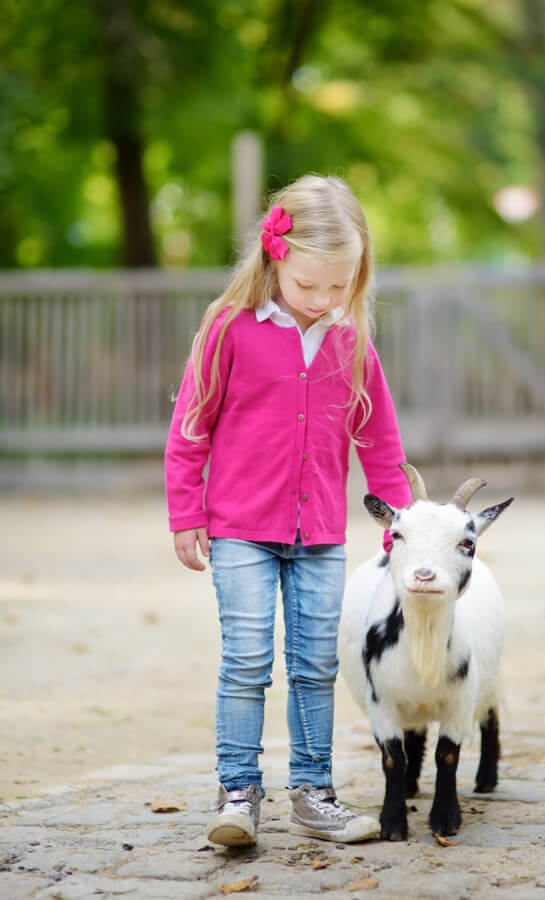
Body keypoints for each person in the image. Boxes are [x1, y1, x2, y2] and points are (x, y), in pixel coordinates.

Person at [165, 174, 412, 847]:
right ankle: (239, 792)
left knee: (315, 665)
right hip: (240, 528)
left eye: (340, 286)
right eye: (310, 286)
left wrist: (405, 531)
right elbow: (191, 425)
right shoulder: (228, 329)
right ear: (276, 258)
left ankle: (314, 793)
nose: (325, 299)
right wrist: (186, 513)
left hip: (321, 534)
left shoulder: (351, 340)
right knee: (246, 659)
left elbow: (381, 444)